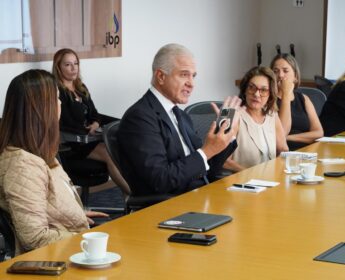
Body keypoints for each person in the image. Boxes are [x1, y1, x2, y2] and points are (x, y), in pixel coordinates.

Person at [0, 70, 107, 255]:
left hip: (69, 250)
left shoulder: (38, 154)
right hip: (58, 262)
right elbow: (34, 238)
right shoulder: (22, 165)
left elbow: (48, 201)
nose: (60, 104)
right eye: (56, 99)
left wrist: (74, 215)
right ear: (41, 109)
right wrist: (83, 237)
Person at [118, 43, 240, 196]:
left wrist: (225, 134)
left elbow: (207, 168)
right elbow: (160, 180)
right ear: (161, 76)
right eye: (184, 75)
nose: (191, 83)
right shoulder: (139, 118)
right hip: (168, 207)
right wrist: (207, 150)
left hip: (198, 196)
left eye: (193, 76)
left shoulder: (180, 115)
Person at [52, 48, 131, 196]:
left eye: (76, 63)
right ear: (58, 67)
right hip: (71, 145)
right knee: (110, 154)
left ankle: (133, 195)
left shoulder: (81, 88)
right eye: (67, 64)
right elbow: (64, 123)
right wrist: (89, 132)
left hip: (89, 140)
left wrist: (95, 123)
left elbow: (95, 114)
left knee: (120, 149)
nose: (73, 68)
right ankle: (133, 196)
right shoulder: (57, 92)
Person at [223, 66, 288, 172]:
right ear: (244, 90)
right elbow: (223, 161)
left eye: (263, 90)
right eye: (252, 87)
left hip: (267, 180)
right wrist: (252, 175)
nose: (256, 94)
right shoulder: (230, 113)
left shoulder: (272, 114)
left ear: (270, 94)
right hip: (238, 182)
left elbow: (283, 150)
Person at [270, 53, 323, 150]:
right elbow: (282, 132)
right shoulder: (268, 99)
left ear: (295, 76)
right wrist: (286, 94)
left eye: (285, 71)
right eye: (276, 71)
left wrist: (289, 138)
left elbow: (318, 133)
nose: (280, 75)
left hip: (306, 152)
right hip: (282, 152)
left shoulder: (304, 98)